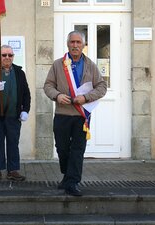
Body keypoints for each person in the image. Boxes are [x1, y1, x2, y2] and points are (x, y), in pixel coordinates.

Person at [43, 31, 107, 196]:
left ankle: (72, 182)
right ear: (67, 44)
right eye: (72, 42)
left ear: (84, 45)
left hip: (81, 116)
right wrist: (57, 95)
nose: (75, 45)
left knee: (77, 150)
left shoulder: (91, 66)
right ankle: (67, 176)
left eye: (79, 42)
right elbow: (48, 85)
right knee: (62, 149)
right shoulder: (58, 65)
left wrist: (86, 97)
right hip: (62, 114)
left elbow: (101, 87)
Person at [0, 45, 31, 182]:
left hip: (14, 114)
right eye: (4, 55)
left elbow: (26, 93)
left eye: (10, 55)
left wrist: (25, 110)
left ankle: (13, 170)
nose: (7, 57)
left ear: (13, 57)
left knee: (13, 141)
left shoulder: (19, 72)